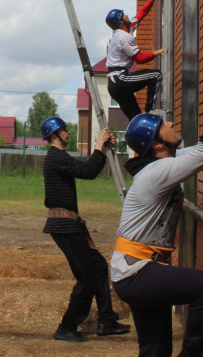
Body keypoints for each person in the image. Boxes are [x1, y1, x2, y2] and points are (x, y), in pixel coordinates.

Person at [109, 75, 203, 357]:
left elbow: (197, 150)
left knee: (155, 350)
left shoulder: (162, 164)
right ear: (157, 144)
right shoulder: (159, 171)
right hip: (136, 271)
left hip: (134, 269)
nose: (171, 123)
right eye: (164, 125)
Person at [40, 116, 131, 343]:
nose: (68, 132)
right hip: (63, 226)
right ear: (54, 135)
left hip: (70, 224)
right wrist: (99, 146)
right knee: (86, 277)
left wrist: (99, 148)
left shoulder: (58, 157)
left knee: (99, 266)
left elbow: (88, 169)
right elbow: (88, 171)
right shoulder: (55, 156)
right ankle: (67, 326)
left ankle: (106, 320)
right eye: (64, 130)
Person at [105, 0, 166, 120]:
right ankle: (151, 110)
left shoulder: (127, 27)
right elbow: (140, 59)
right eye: (123, 15)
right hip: (119, 79)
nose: (127, 15)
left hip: (114, 84)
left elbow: (140, 14)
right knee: (156, 75)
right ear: (121, 22)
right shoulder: (123, 36)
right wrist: (159, 52)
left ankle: (142, 131)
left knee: (137, 119)